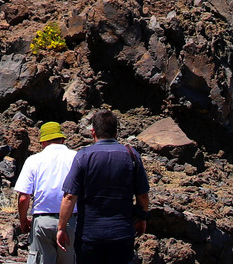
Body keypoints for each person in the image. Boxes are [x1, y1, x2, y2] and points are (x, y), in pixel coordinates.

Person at [56, 111, 150, 264]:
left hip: (89, 236)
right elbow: (143, 196)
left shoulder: (83, 156)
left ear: (93, 132)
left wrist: (61, 227)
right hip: (122, 233)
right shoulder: (131, 155)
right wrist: (143, 218)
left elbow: (69, 197)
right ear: (116, 132)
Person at [17, 122, 78, 264]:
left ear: (43, 142)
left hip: (42, 221)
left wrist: (23, 220)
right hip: (71, 221)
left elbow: (23, 197)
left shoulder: (33, 161)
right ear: (62, 139)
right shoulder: (76, 158)